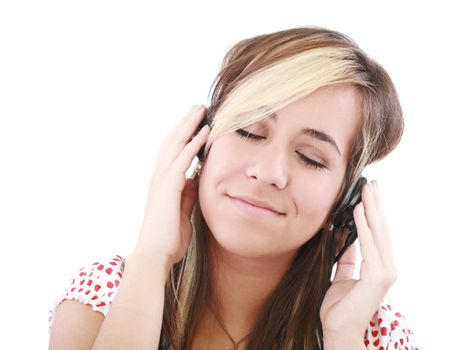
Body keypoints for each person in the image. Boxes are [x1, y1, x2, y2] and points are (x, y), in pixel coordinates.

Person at [48, 26, 419, 349]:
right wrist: (150, 259)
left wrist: (343, 338)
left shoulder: (374, 333)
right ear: (200, 145)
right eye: (249, 130)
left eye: (310, 157)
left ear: (345, 201)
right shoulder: (109, 292)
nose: (269, 172)